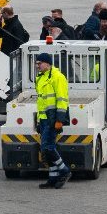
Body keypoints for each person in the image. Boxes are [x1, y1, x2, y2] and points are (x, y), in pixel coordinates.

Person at [31, 53, 72, 189]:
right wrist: (38, 122)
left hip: (52, 119)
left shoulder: (58, 77)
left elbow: (62, 100)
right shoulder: (40, 78)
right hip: (44, 119)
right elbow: (41, 102)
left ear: (48, 64)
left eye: (40, 63)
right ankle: (53, 178)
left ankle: (64, 170)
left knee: (48, 148)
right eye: (36, 63)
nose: (37, 66)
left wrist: (60, 120)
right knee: (46, 149)